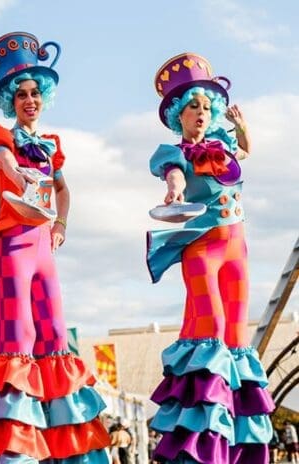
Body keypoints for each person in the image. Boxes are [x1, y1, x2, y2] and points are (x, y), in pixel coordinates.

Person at [0, 32, 110, 463]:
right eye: (21, 94)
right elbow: (2, 159)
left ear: (45, 96)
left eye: (36, 92)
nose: (29, 99)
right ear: (9, 100)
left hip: (43, 248)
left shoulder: (53, 145)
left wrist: (62, 223)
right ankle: (14, 451)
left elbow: (62, 189)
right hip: (13, 243)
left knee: (55, 337)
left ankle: (66, 449)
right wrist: (19, 176)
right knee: (17, 336)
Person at [147, 52, 275, 463]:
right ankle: (201, 445)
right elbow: (175, 173)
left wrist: (240, 125)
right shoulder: (173, 152)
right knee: (211, 332)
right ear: (177, 115)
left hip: (237, 249)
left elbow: (248, 149)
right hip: (202, 251)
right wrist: (174, 190)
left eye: (205, 106)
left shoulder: (224, 145)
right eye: (191, 107)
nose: (200, 113)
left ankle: (239, 447)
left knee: (238, 341)